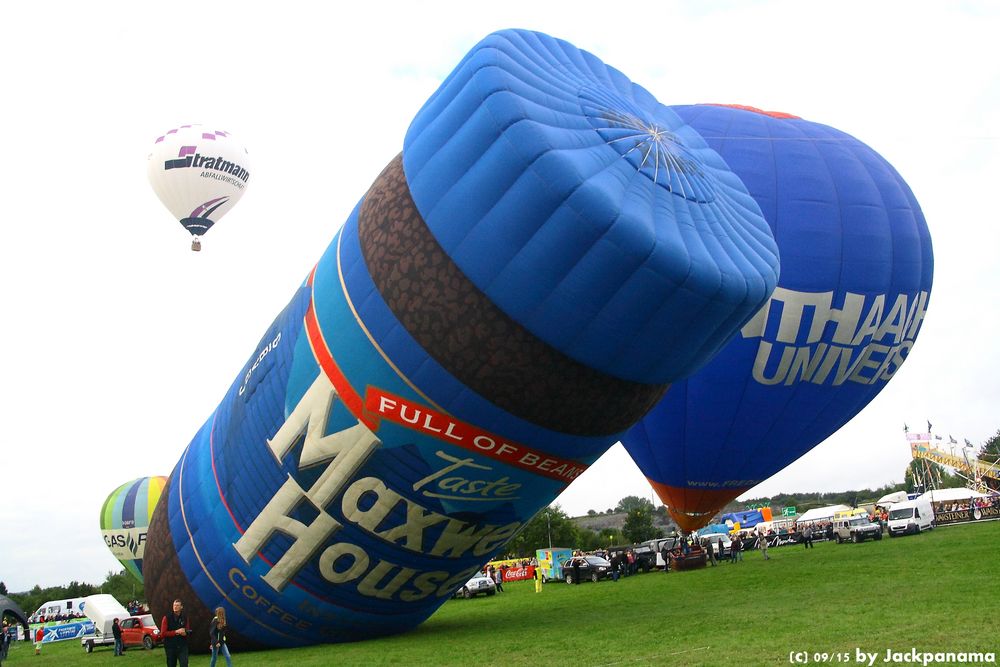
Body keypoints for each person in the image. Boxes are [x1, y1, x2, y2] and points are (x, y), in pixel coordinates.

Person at [161, 598, 191, 667]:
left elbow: (188, 629)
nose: (175, 607)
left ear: (181, 607)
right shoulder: (166, 618)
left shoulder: (185, 617)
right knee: (171, 664)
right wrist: (176, 632)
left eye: (177, 605)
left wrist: (185, 633)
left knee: (184, 664)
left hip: (182, 645)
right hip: (170, 646)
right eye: (174, 605)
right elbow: (163, 633)